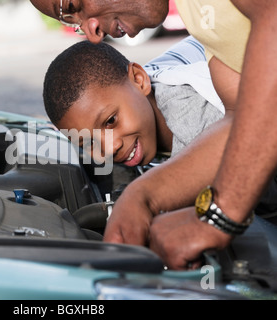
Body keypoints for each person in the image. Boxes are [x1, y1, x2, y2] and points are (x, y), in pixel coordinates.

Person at [30, 0, 277, 270]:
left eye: (74, 3)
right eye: (71, 20)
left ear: (140, 79)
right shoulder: (195, 14)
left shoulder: (191, 116)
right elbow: (239, 115)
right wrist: (143, 194)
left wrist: (217, 216)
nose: (92, 33)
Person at [43, 37, 223, 169]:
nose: (110, 148)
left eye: (111, 121)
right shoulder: (131, 89)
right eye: (89, 143)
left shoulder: (197, 116)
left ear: (139, 80)